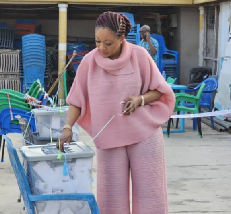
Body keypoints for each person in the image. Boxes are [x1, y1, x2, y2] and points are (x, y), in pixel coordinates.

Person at [57, 11, 175, 214]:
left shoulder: (139, 56)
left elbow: (160, 90)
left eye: (108, 43)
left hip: (144, 135)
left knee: (150, 196)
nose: (101, 48)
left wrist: (139, 100)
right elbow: (76, 100)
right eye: (97, 42)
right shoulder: (88, 63)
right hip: (109, 138)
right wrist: (67, 127)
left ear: (121, 39)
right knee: (111, 198)